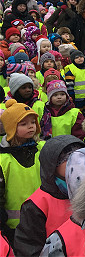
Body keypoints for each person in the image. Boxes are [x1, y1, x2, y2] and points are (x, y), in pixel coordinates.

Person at [14, 136, 85, 257]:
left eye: (81, 157)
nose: (76, 162)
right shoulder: (36, 204)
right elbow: (28, 248)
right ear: (52, 165)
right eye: (67, 158)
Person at [0, 100, 44, 243]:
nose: (30, 127)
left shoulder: (41, 149)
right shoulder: (4, 160)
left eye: (32, 122)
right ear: (11, 128)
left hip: (42, 219)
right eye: (23, 124)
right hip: (13, 228)